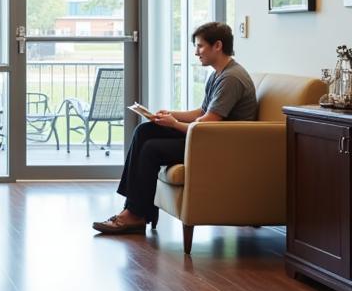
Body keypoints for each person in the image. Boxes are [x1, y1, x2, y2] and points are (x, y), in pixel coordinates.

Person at [93, 21, 258, 236]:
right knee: (144, 131)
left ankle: (135, 214)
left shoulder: (231, 79)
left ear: (217, 46)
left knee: (151, 149)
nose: (196, 52)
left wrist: (174, 124)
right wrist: (170, 115)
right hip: (207, 139)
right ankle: (134, 210)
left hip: (218, 147)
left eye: (200, 46)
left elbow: (207, 124)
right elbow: (202, 112)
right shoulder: (218, 74)